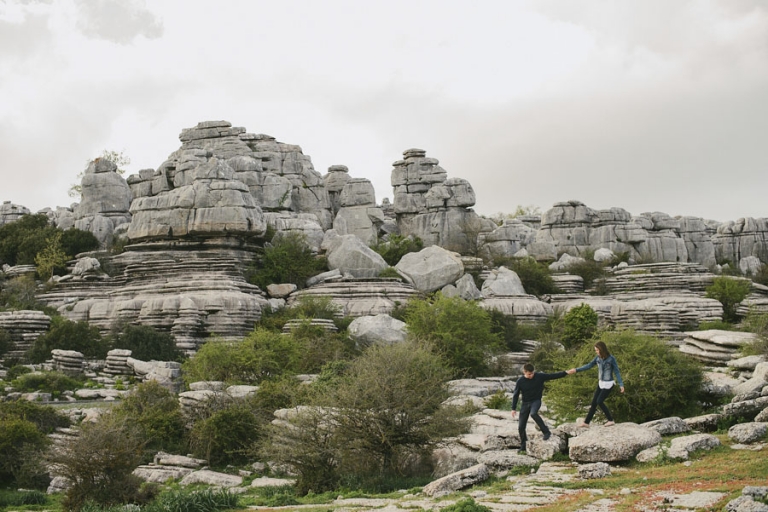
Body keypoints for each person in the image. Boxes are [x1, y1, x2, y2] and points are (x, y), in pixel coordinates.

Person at [511, 362, 570, 453]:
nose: (531, 376)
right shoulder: (520, 381)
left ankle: (546, 431)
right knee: (521, 427)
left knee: (533, 413)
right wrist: (513, 408)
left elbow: (552, 376)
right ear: (524, 372)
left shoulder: (539, 376)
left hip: (536, 401)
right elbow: (515, 394)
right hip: (525, 403)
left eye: (532, 373)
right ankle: (523, 445)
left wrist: (566, 372)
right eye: (529, 374)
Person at [567, 340, 624, 427]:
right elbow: (589, 365)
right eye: (595, 350)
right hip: (601, 383)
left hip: (608, 384)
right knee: (594, 403)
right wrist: (576, 370)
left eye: (597, 350)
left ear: (602, 349)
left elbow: (617, 371)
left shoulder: (611, 359)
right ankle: (586, 423)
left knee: (599, 401)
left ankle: (610, 420)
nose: (596, 352)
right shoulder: (597, 358)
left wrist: (621, 384)